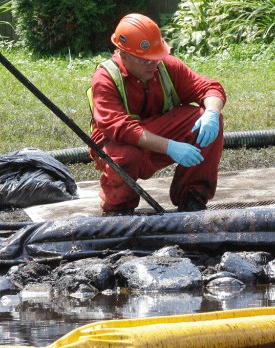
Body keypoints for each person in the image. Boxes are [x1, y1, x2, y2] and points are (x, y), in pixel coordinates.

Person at [88, 13, 226, 215]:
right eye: (144, 60)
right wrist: (170, 147)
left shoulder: (166, 67)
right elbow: (122, 129)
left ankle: (192, 198)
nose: (152, 65)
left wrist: (212, 113)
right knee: (126, 156)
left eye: (155, 58)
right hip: (117, 143)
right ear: (123, 54)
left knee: (205, 121)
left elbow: (209, 88)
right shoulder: (105, 78)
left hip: (153, 132)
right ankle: (118, 208)